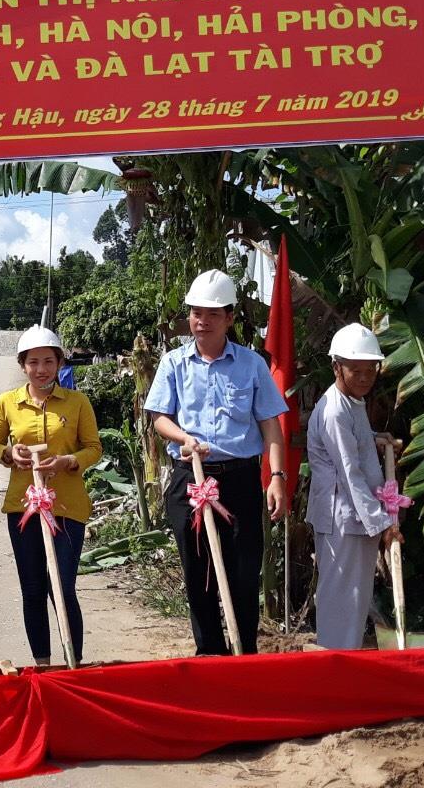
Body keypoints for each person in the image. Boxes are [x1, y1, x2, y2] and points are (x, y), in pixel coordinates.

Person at [144, 269, 289, 656]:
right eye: (196, 313)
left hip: (239, 480)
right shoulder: (174, 363)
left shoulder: (251, 365)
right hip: (190, 478)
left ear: (229, 318)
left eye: (212, 314)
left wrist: (276, 477)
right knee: (198, 572)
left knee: (243, 572)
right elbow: (159, 417)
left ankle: (244, 654)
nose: (202, 321)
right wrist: (184, 439)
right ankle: (209, 654)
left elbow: (271, 425)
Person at [0, 325, 101, 665]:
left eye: (49, 361)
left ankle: (73, 663)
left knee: (62, 587)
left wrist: (69, 461)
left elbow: (93, 448)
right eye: (33, 362)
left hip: (67, 507)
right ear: (22, 365)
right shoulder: (8, 402)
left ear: (59, 363)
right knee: (33, 589)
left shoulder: (77, 402)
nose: (41, 369)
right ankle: (42, 664)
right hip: (23, 508)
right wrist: (10, 454)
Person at [307, 323, 404, 649]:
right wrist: (384, 523)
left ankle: (343, 661)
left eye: (370, 370)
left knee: (355, 598)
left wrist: (373, 439)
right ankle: (335, 663)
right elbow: (350, 474)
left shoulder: (350, 402)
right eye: (356, 370)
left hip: (355, 517)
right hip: (343, 518)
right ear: (337, 367)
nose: (365, 377)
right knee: (342, 599)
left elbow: (352, 444)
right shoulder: (335, 410)